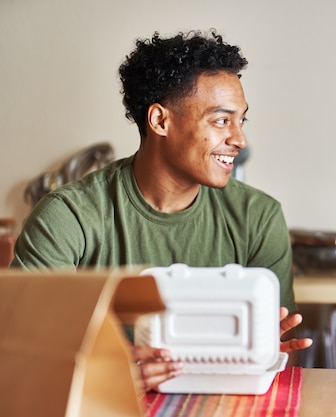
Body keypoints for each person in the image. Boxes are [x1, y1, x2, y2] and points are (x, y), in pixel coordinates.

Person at [11, 30, 312, 390]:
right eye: (221, 120)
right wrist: (108, 374)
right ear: (160, 121)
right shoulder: (67, 217)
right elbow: (18, 351)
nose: (239, 139)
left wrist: (267, 351)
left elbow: (277, 346)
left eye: (241, 120)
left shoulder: (258, 216)